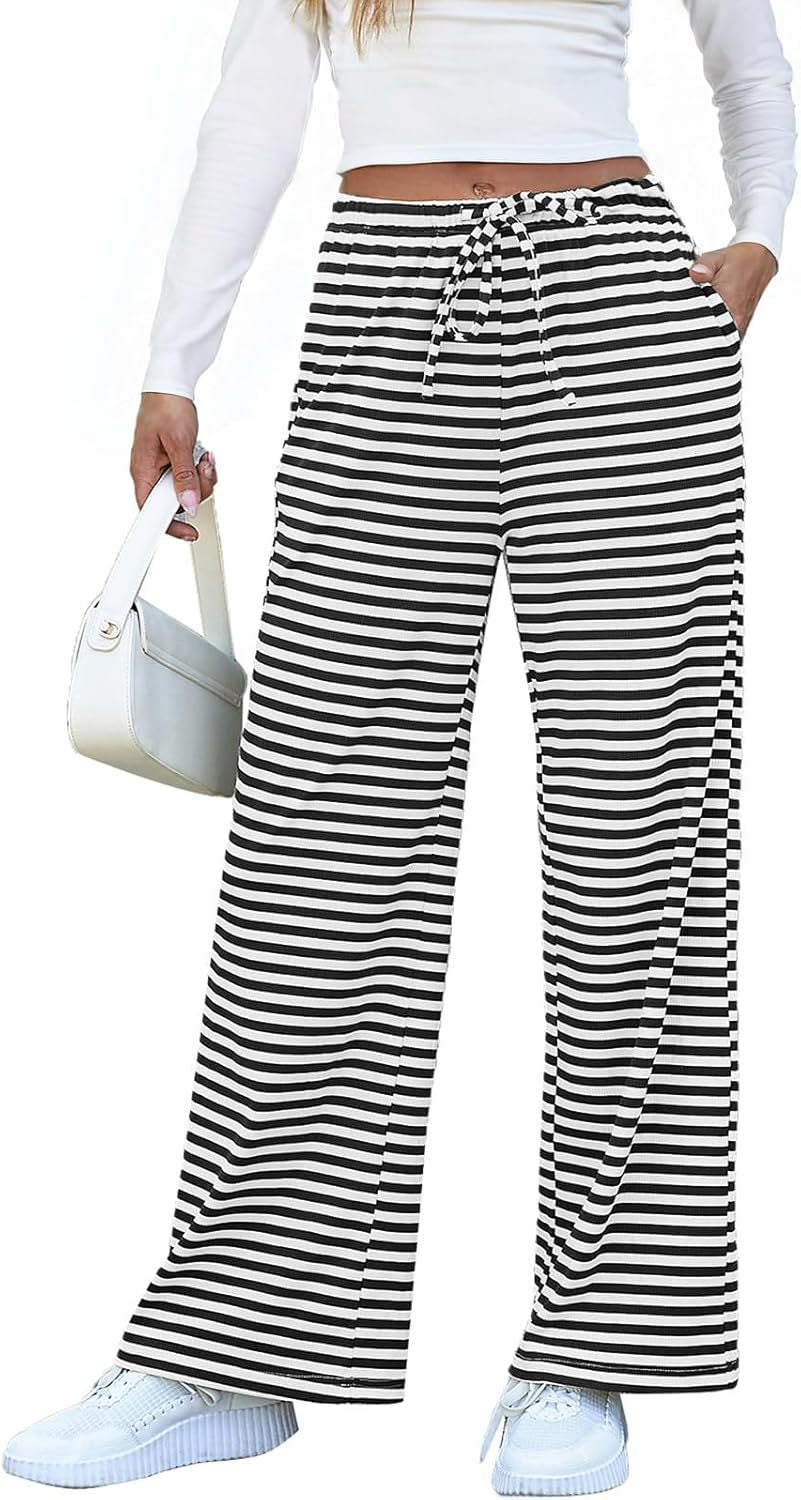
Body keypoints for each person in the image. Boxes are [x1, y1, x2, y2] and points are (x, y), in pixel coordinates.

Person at [4, 0, 796, 1494]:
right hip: (384, 306)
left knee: (642, 836)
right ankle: (234, 1351)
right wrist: (174, 361)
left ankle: (592, 1349)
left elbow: (748, 64)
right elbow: (253, 107)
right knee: (320, 840)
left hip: (626, 315)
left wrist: (752, 242)